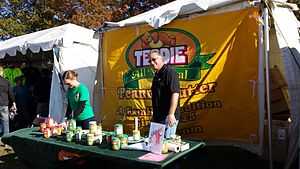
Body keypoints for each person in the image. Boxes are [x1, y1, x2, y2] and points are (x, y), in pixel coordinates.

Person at [150, 51, 180, 138]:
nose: (152, 62)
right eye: (150, 61)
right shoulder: (156, 75)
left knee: (167, 146)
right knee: (156, 145)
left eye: (154, 59)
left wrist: (171, 114)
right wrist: (154, 115)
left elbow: (175, 93)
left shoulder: (170, 73)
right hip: (158, 117)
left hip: (168, 117)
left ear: (161, 59)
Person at [0, 66, 17, 136]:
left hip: (3, 104)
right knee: (5, 123)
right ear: (2, 72)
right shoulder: (6, 81)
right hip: (4, 104)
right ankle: (6, 140)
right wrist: (14, 102)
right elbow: (11, 94)